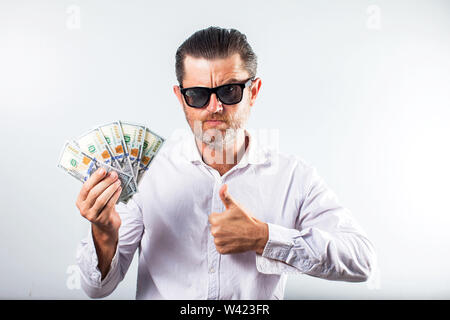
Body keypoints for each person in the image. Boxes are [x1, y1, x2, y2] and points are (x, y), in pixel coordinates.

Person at [75, 26, 376, 299]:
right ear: (181, 98)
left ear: (253, 92)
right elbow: (96, 288)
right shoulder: (146, 175)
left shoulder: (293, 177)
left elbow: (361, 260)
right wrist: (103, 232)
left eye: (230, 91)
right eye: (198, 95)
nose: (214, 107)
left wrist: (264, 237)